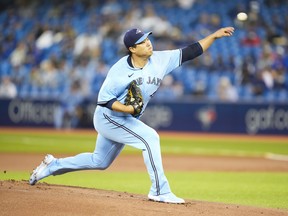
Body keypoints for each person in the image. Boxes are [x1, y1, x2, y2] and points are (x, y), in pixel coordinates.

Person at [29, 26, 234, 204]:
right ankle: (160, 191)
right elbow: (104, 100)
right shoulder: (119, 71)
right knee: (150, 137)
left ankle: (53, 165)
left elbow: (191, 51)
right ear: (132, 49)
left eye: (147, 39)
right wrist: (128, 109)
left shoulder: (160, 59)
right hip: (108, 117)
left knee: (99, 162)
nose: (148, 43)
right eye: (141, 42)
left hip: (125, 118)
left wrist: (214, 36)